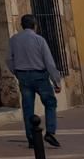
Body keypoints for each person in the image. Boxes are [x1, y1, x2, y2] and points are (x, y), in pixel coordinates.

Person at [10, 14, 61, 148]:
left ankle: (31, 137)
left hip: (23, 76)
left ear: (21, 25)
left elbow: (9, 59)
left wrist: (16, 72)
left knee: (28, 107)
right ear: (35, 25)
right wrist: (56, 81)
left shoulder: (14, 40)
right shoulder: (39, 40)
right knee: (50, 103)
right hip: (40, 76)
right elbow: (49, 62)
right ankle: (50, 131)